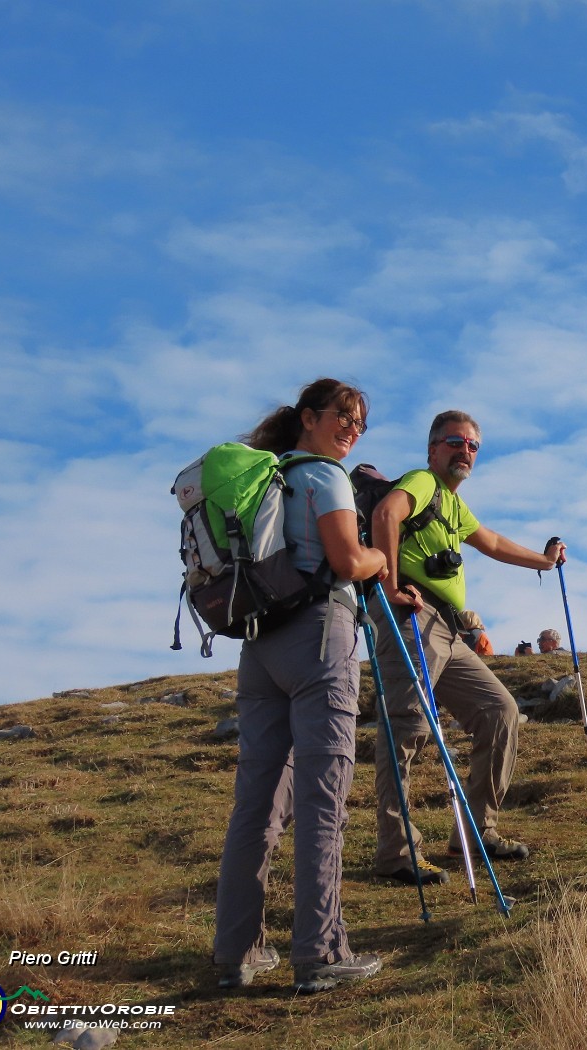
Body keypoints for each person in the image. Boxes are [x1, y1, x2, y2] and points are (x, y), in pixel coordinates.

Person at [213, 378, 388, 994]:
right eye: (342, 416)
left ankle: (235, 952)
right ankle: (319, 952)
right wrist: (379, 560)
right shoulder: (323, 476)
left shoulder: (269, 477)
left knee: (255, 803)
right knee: (322, 796)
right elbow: (346, 561)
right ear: (308, 418)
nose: (351, 429)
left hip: (260, 647)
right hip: (318, 637)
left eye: (359, 423)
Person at [368, 410, 566, 885]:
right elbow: (385, 514)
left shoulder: (452, 505)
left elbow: (492, 542)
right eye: (455, 443)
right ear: (433, 449)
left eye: (473, 446)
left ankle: (476, 833)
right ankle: (397, 853)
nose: (465, 452)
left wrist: (544, 560)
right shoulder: (420, 482)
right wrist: (391, 585)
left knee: (499, 709)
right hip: (414, 616)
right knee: (407, 728)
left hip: (449, 630)